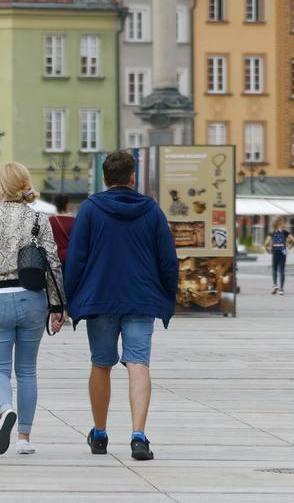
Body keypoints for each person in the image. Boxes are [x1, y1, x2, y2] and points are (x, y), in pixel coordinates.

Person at [64, 150, 179, 462]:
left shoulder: (90, 209)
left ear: (104, 178)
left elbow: (76, 258)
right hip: (141, 299)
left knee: (101, 364)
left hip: (100, 298)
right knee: (138, 363)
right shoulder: (151, 210)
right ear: (133, 177)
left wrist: (67, 299)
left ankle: (99, 434)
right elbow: (168, 259)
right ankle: (138, 436)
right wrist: (169, 295)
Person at [0, 162, 65, 456]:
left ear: (1, 187)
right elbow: (53, 264)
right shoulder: (38, 219)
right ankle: (24, 438)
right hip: (31, 297)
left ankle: (6, 409)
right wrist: (58, 307)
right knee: (27, 370)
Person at [267, 217, 294, 295]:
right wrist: (289, 248)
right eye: (284, 222)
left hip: (275, 250)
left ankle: (274, 286)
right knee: (282, 270)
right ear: (280, 223)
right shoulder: (285, 232)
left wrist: (268, 249)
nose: (285, 224)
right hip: (283, 251)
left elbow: (266, 243)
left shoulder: (272, 232)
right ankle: (281, 289)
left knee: (274, 269)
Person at [48, 194, 75, 267]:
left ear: (56, 205)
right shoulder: (73, 221)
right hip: (70, 256)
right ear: (66, 205)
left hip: (54, 257)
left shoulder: (50, 220)